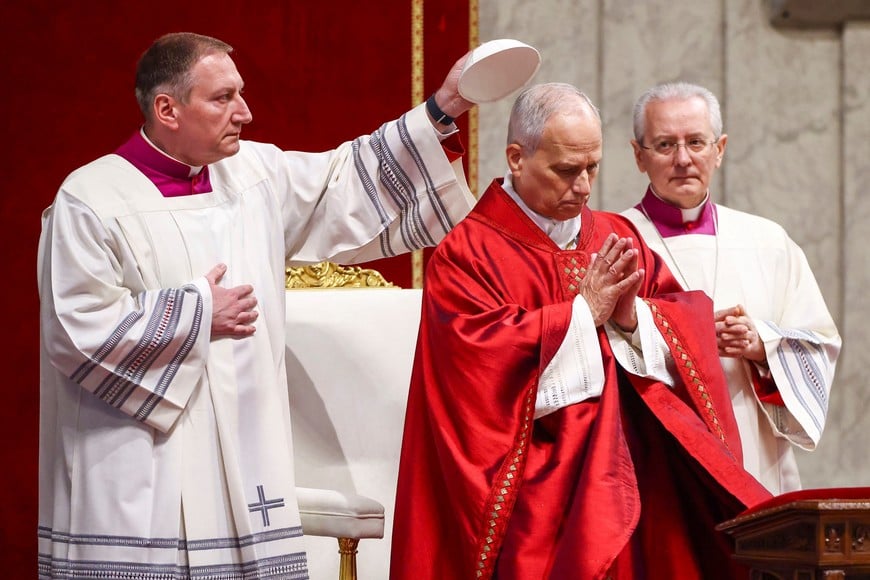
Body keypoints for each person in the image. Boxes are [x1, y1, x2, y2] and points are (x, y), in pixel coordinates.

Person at [37, 32, 478, 578]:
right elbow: (76, 330)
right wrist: (199, 314)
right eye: (223, 98)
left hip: (246, 468)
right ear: (167, 108)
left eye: (239, 94)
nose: (244, 113)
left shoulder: (253, 175)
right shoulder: (91, 202)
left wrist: (440, 110)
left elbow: (343, 182)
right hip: (142, 474)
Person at [390, 82, 772, 580]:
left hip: (635, 475)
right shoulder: (468, 254)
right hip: (535, 486)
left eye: (593, 167)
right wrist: (581, 313)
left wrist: (635, 319)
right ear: (516, 158)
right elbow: (474, 371)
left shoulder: (618, 234)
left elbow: (681, 316)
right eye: (567, 170)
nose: (585, 186)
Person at [621, 82, 841, 495]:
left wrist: (763, 346)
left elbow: (821, 345)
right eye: (665, 145)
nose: (683, 159)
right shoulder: (615, 239)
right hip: (659, 460)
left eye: (696, 142)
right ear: (639, 155)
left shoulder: (768, 242)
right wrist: (690, 341)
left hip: (754, 452)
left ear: (719, 149)